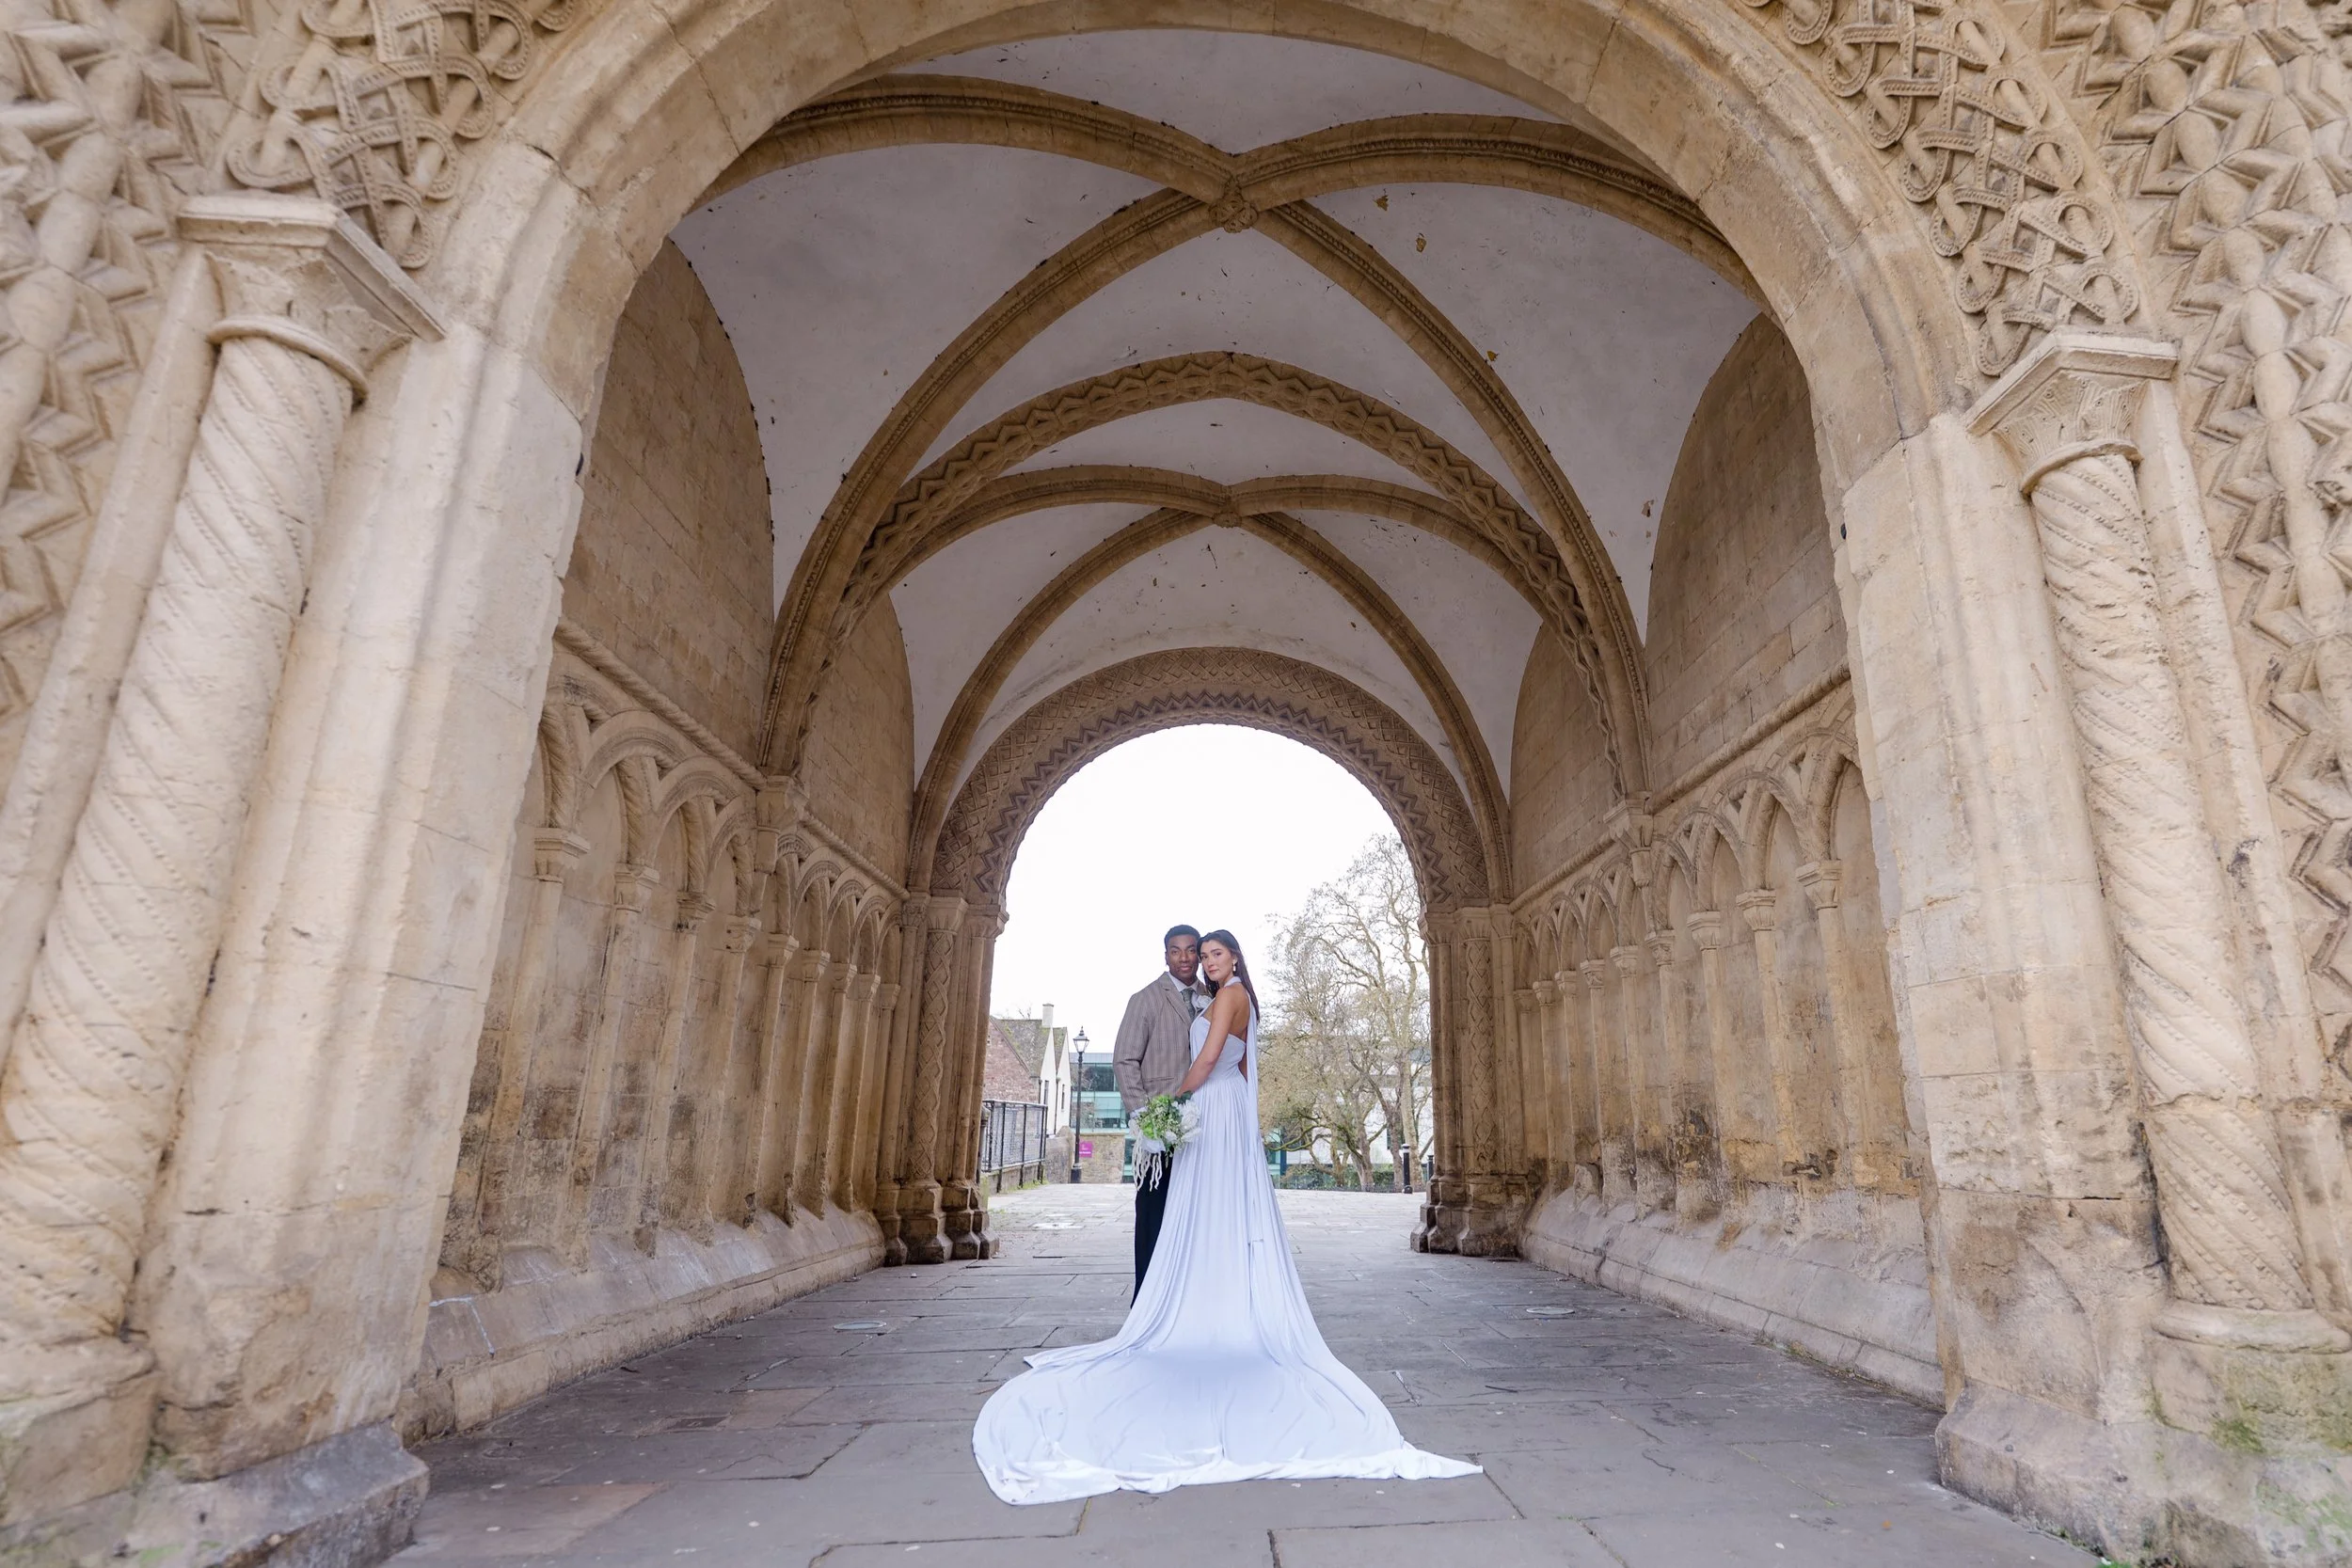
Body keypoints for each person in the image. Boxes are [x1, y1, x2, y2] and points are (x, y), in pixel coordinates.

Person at [972, 930, 1480, 1504]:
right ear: (1170, 956)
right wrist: (1161, 1111)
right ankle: (1176, 1300)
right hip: (1210, 1111)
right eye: (1194, 954)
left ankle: (1199, 1309)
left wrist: (1175, 1105)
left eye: (1211, 953)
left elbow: (1213, 1058)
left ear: (1231, 958)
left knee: (1199, 1208)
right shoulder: (1175, 997)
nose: (1201, 961)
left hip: (1203, 1107)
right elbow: (1154, 1060)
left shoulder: (1229, 996)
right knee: (1176, 1214)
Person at [1110, 924, 1206, 1298]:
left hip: (1202, 1124)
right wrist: (1142, 1118)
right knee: (1154, 1213)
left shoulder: (1210, 997)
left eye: (1190, 950)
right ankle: (1146, 1301)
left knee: (1195, 1216)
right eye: (1174, 950)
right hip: (1160, 1127)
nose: (1184, 957)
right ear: (1164, 955)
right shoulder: (1146, 999)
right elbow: (1124, 1060)